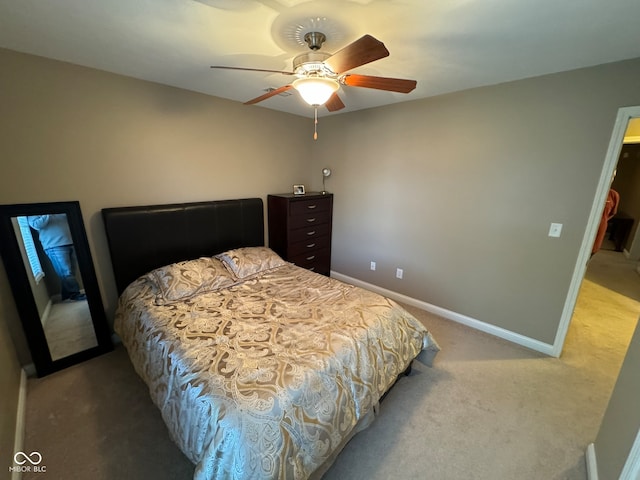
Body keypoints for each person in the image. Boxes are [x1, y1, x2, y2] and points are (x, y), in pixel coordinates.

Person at [27, 214, 86, 301]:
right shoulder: (34, 210)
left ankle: (66, 295)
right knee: (66, 272)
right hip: (54, 245)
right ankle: (75, 294)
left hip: (71, 241)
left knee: (70, 272)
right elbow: (36, 225)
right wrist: (47, 214)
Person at [591, 188, 620, 256]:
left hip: (601, 225)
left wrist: (602, 220)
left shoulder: (613, 194)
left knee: (593, 250)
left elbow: (613, 213)